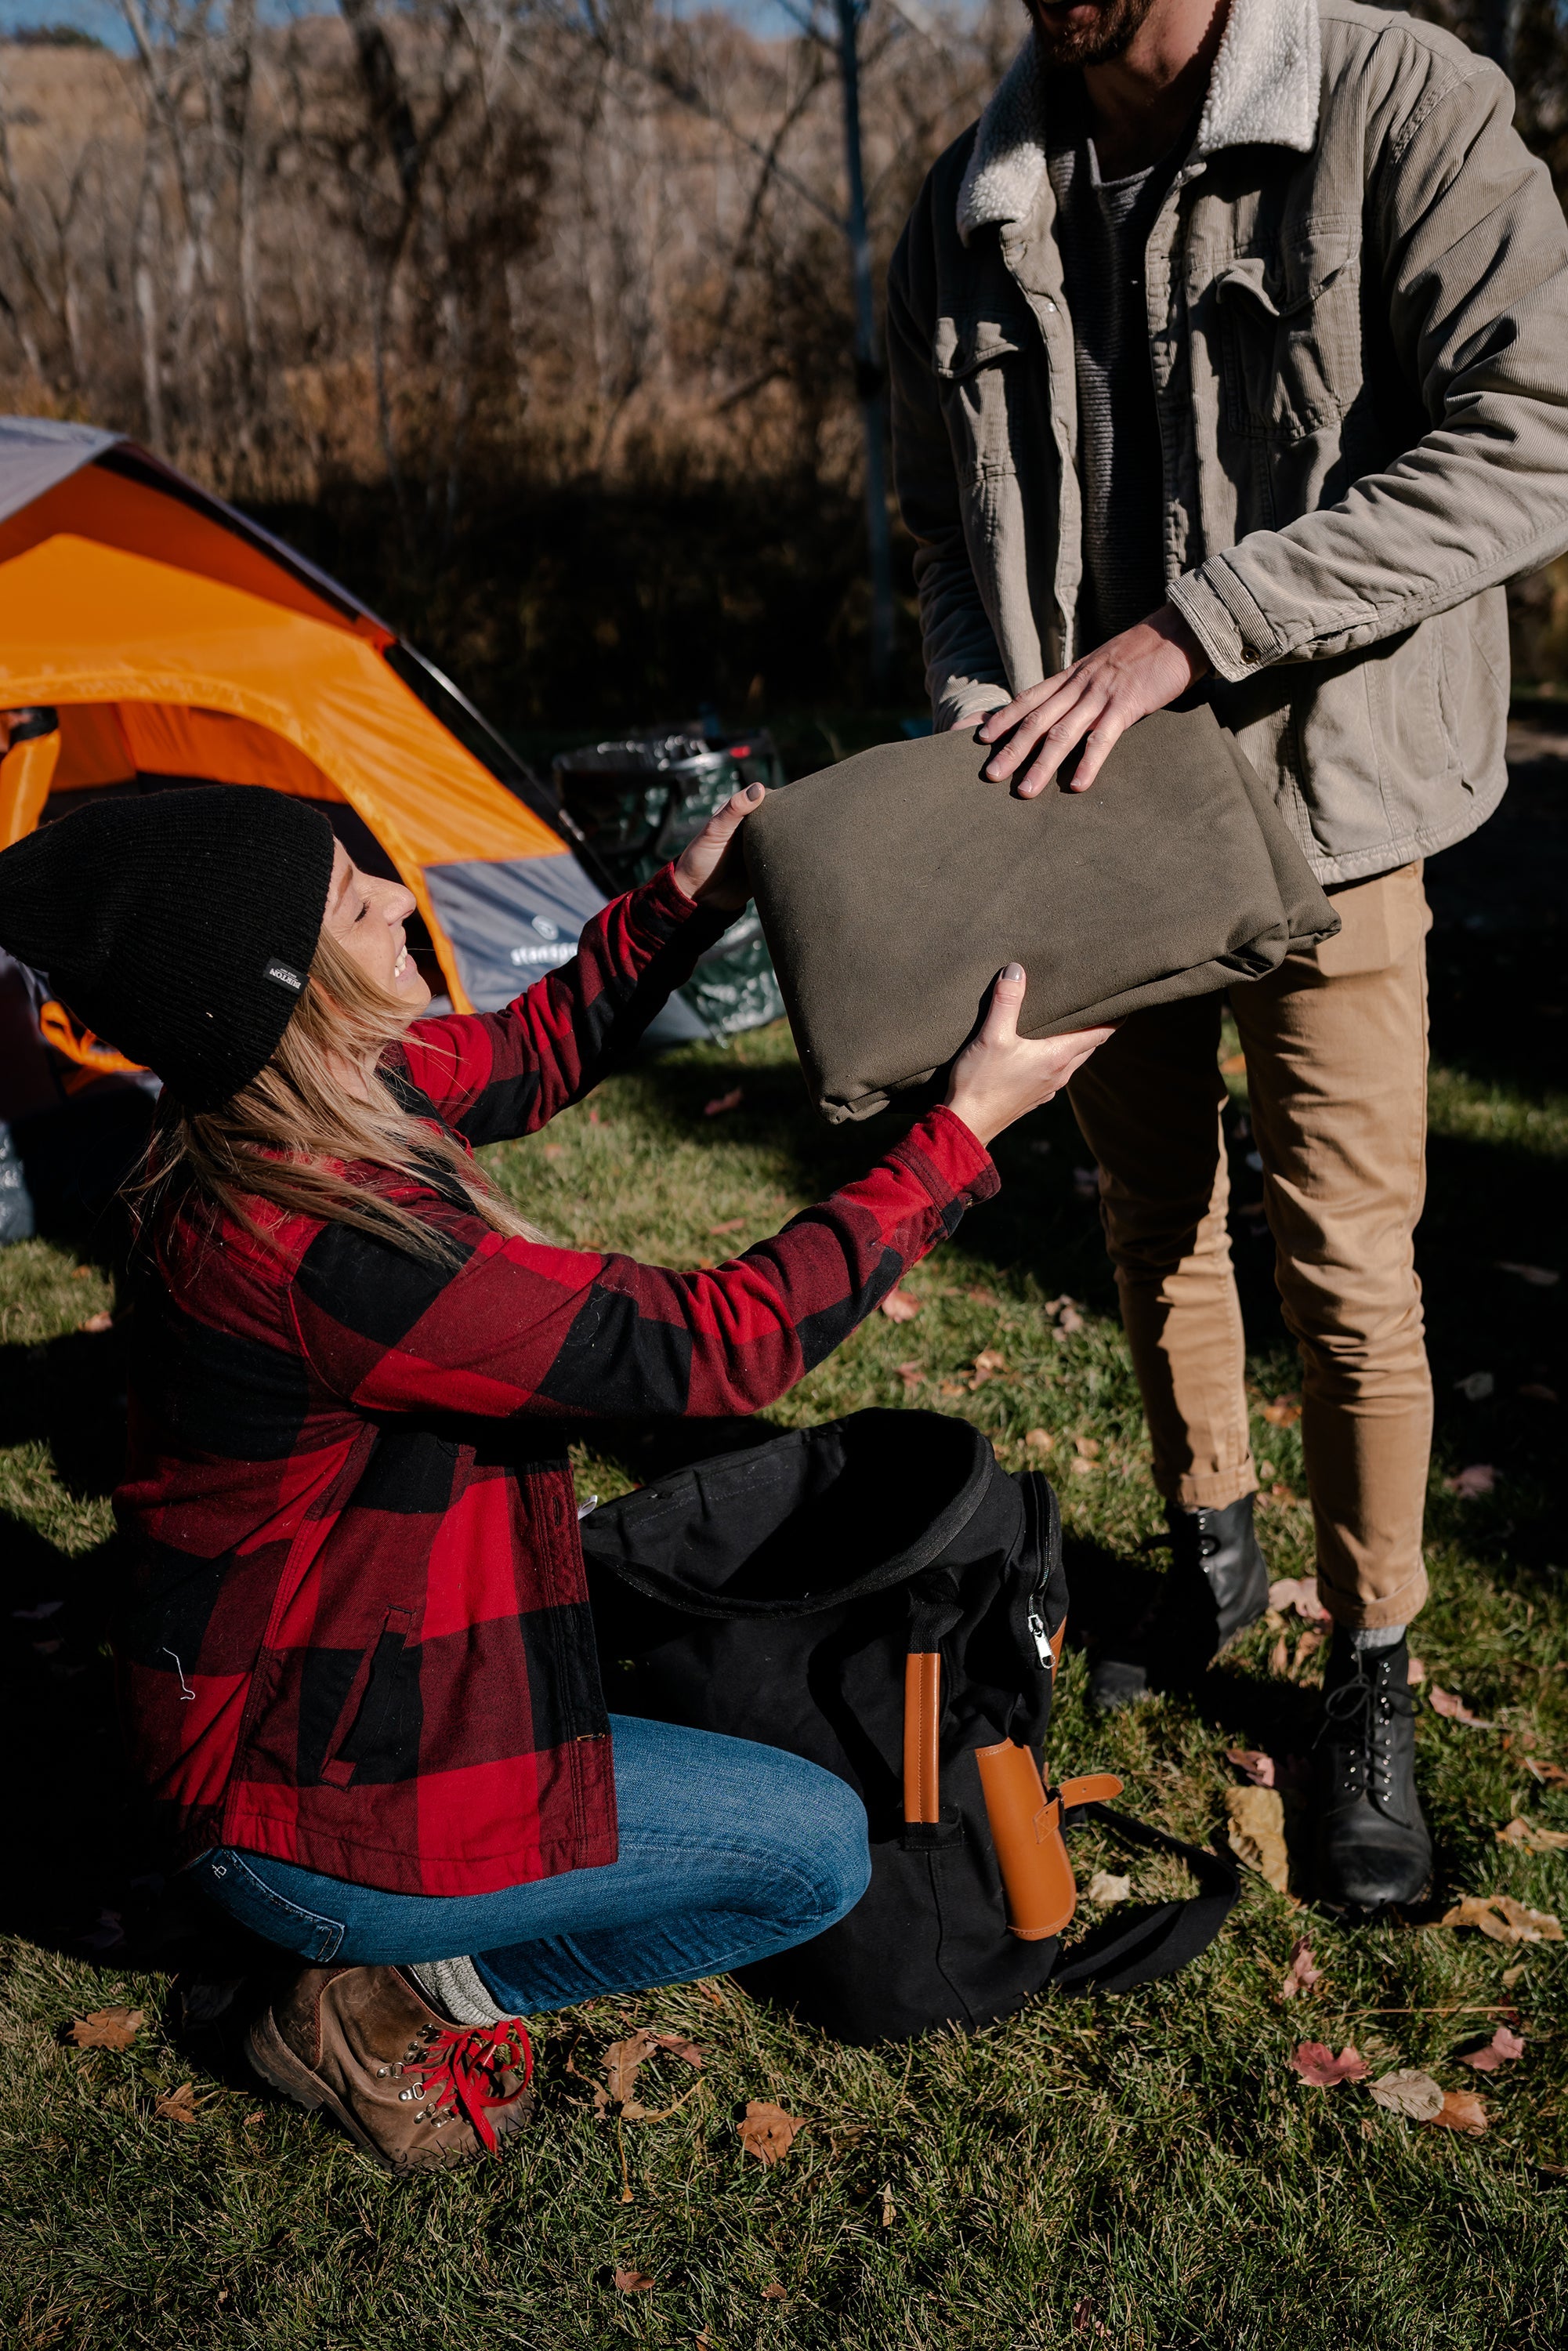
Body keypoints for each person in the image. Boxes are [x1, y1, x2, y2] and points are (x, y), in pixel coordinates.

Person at [0, 781, 1109, 2174]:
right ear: (278, 988)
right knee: (814, 1857)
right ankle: (382, 2000)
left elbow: (532, 1049)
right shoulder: (328, 1248)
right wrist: (958, 1135)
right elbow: (715, 1344)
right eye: (350, 901)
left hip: (316, 1708)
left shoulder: (305, 1097)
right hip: (297, 1810)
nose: (396, 897)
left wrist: (686, 898)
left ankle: (383, 1933)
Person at [887, 0, 1568, 1911]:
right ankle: (1206, 1553)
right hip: (1086, 840)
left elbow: (1533, 438)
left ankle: (1368, 1670)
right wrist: (976, 707)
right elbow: (936, 528)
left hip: (1324, 817)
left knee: (1343, 1262)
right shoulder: (962, 202)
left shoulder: (1398, 102)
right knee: (1145, 1213)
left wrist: (1197, 629)